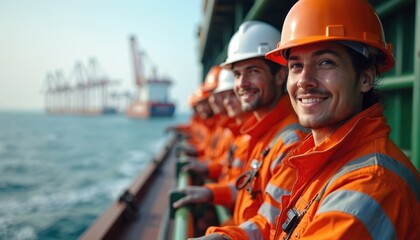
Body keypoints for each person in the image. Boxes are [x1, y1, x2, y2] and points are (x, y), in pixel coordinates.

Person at [197, 0, 420, 239]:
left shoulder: (371, 183)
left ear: (365, 78)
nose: (304, 80)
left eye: (325, 62)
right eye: (296, 65)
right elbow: (276, 226)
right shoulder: (321, 157)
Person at [174, 20, 308, 235]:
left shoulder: (291, 142)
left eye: (253, 71)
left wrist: (224, 236)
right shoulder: (261, 134)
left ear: (280, 75)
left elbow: (272, 224)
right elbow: (248, 191)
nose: (242, 83)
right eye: (237, 74)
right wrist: (209, 192)